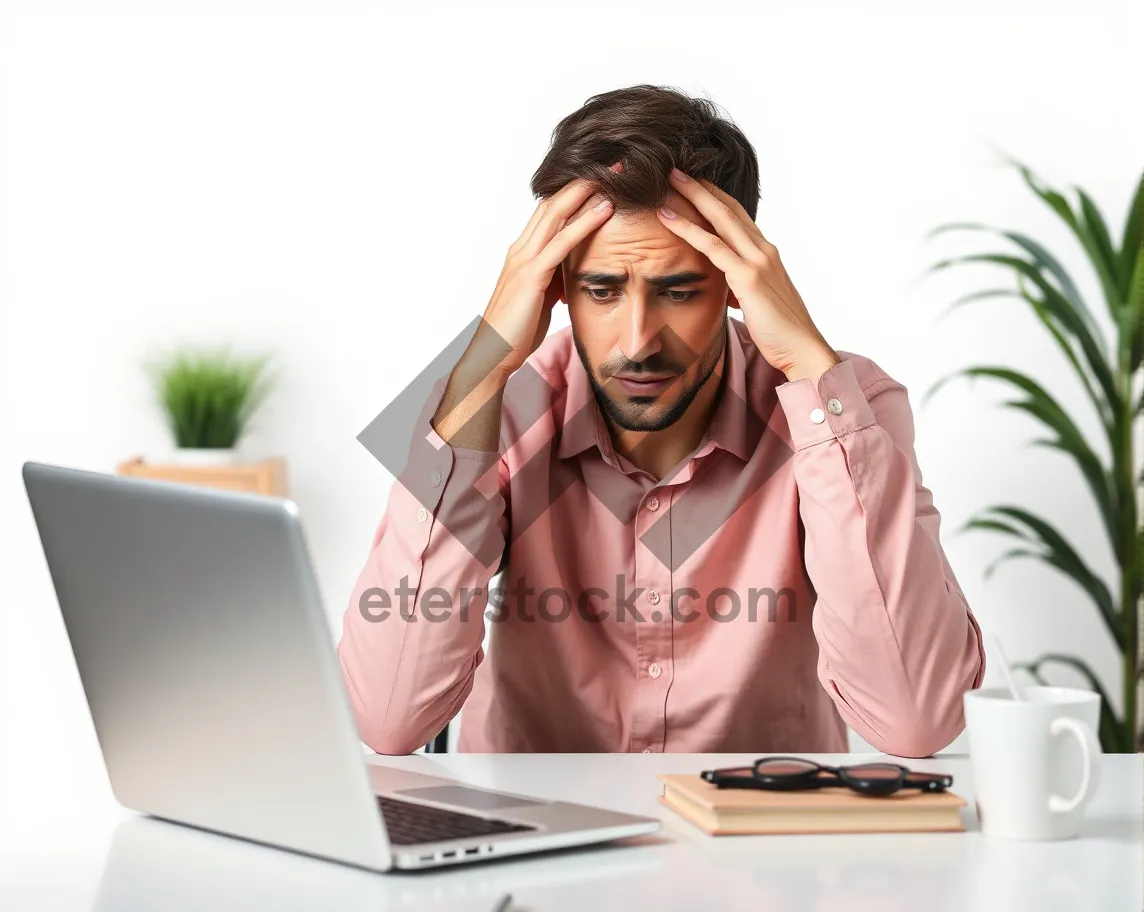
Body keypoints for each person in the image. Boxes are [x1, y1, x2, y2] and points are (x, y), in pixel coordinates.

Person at [337, 84, 985, 757]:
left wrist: (806, 361)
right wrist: (482, 370)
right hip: (530, 847)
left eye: (679, 290)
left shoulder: (849, 406)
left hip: (760, 847)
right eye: (602, 289)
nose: (639, 340)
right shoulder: (490, 406)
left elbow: (916, 721)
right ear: (555, 286)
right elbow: (388, 720)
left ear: (739, 282)